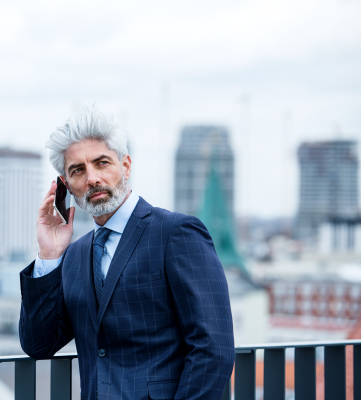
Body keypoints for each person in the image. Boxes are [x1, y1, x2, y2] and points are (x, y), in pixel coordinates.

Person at [18, 106, 235, 400]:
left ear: (126, 166)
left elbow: (213, 348)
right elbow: (38, 345)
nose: (92, 178)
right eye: (78, 170)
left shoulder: (176, 233)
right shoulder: (73, 256)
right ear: (67, 186)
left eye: (102, 163)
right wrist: (49, 254)